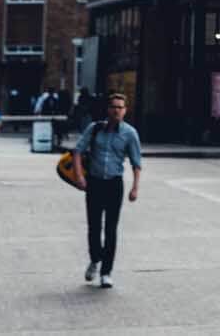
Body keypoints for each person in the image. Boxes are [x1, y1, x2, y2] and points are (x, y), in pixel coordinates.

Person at [71, 92, 142, 290]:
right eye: (113, 107)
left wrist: (135, 188)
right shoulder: (95, 129)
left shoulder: (130, 133)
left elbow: (137, 163)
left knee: (111, 229)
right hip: (94, 183)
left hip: (114, 185)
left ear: (125, 111)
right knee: (94, 227)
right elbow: (77, 151)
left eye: (120, 107)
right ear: (108, 110)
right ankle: (95, 260)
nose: (116, 110)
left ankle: (106, 272)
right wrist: (79, 176)